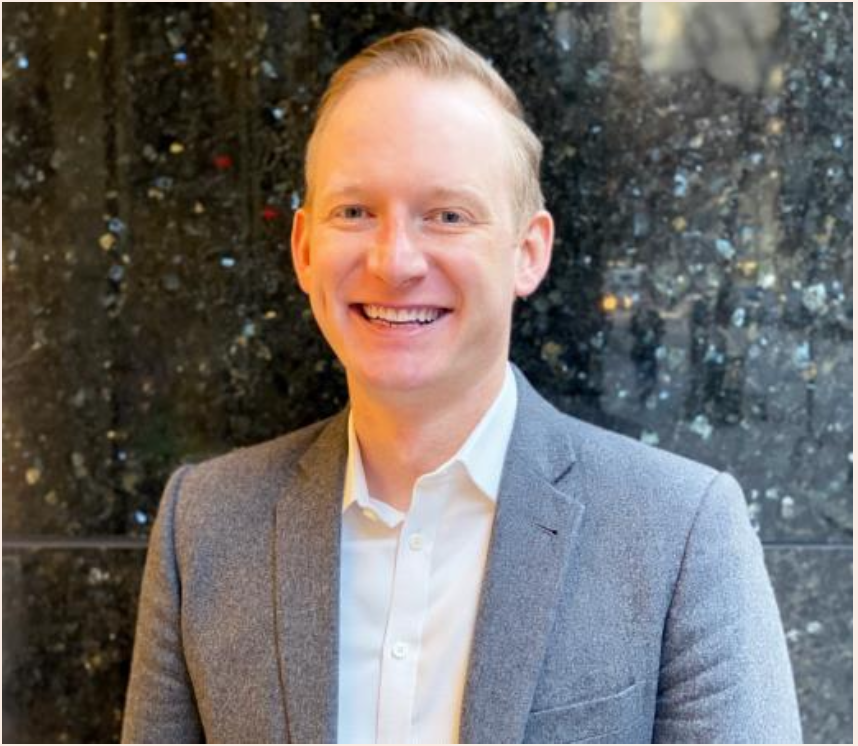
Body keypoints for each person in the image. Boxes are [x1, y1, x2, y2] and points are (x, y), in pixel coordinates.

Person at [122, 28, 802, 744]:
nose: (395, 260)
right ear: (304, 249)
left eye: (447, 215)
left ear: (528, 252)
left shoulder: (679, 534)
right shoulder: (204, 524)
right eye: (355, 212)